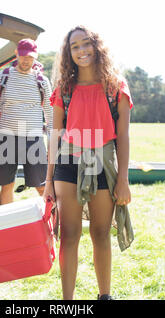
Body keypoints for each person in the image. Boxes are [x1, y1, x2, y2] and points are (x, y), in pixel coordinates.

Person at [43, 26, 134, 300]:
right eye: (75, 46)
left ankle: (104, 296)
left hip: (104, 165)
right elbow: (55, 135)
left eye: (86, 44)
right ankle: (67, 301)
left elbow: (124, 136)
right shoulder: (64, 89)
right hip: (68, 165)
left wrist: (123, 180)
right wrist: (48, 180)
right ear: (68, 53)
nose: (81, 51)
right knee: (69, 235)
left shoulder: (115, 87)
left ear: (97, 46)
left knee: (100, 233)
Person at [0, 39, 53, 204]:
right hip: (6, 138)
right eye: (23, 56)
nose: (25, 60)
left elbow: (50, 116)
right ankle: (9, 226)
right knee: (7, 186)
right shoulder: (3, 76)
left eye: (30, 57)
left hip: (33, 140)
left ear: (35, 57)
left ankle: (51, 225)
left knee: (42, 187)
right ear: (16, 53)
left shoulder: (42, 81)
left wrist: (52, 144)